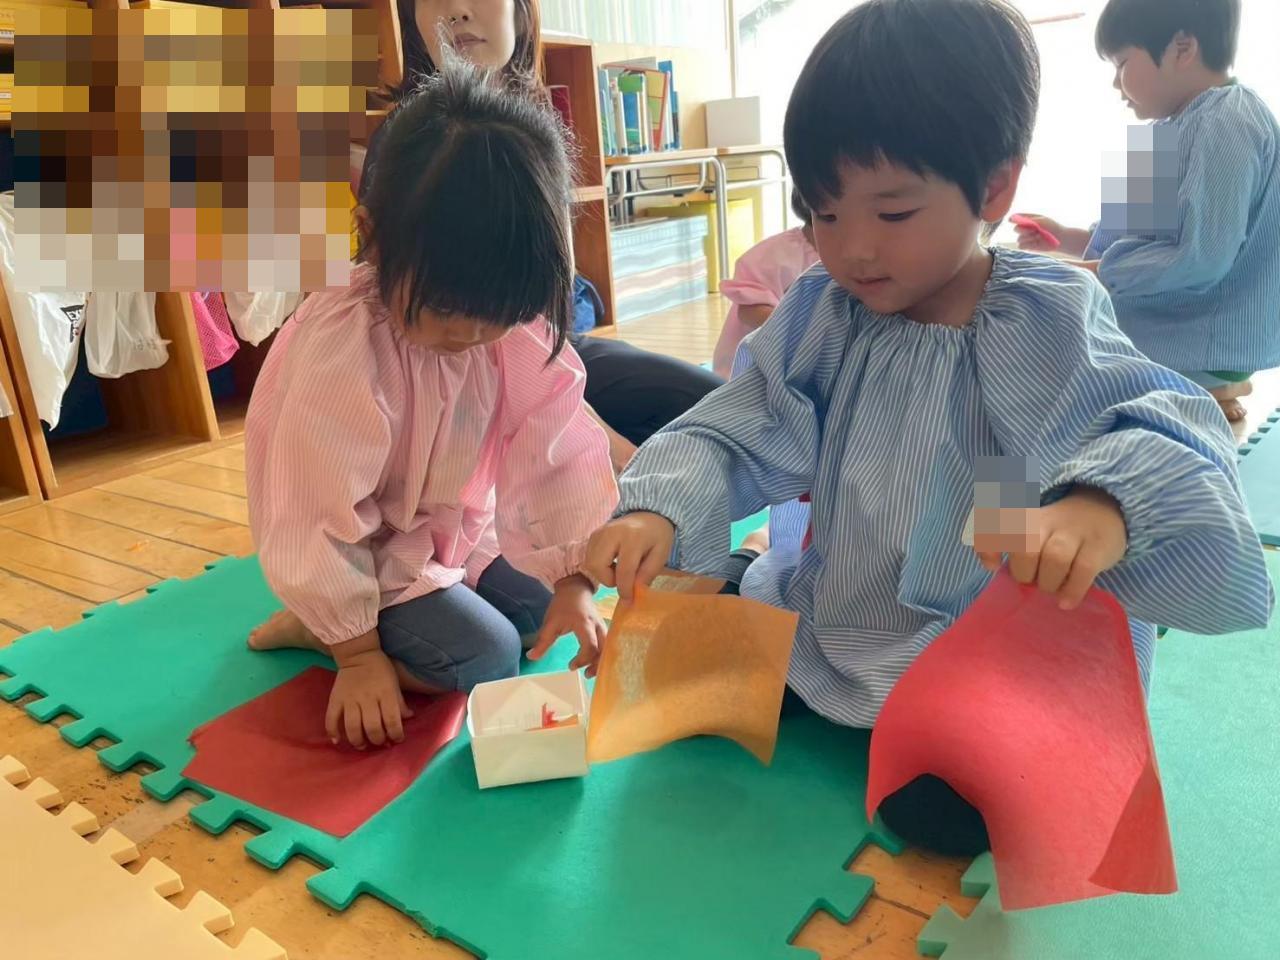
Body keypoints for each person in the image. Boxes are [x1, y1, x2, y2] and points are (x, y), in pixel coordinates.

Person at [583, 0, 1273, 856]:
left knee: (952, 810)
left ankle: (945, 722)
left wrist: (1100, 504)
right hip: (837, 604)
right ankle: (765, 611)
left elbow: (1169, 424)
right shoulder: (824, 311)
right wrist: (658, 506)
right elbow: (735, 422)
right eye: (824, 214)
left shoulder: (1048, 314)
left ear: (994, 188)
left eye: (893, 213)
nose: (853, 250)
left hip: (985, 631)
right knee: (670, 669)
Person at [246, 61, 618, 750]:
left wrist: (573, 580)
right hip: (370, 554)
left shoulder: (517, 331)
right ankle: (323, 628)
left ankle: (369, 627)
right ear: (372, 234)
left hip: (455, 531)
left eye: (497, 311)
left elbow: (557, 452)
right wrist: (358, 655)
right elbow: (314, 506)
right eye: (446, 308)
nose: (471, 333)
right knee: (491, 658)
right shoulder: (347, 344)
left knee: (542, 610)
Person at [358, 0, 724, 470]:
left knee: (715, 409)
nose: (458, 10)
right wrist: (615, 455)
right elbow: (442, 328)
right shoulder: (410, 146)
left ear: (521, 10)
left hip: (542, 342)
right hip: (464, 362)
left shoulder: (534, 126)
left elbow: (548, 306)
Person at [1014, 0, 1280, 423]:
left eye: (1121, 64)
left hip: (1204, 338)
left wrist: (1092, 274)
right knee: (1036, 331)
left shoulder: (1229, 120)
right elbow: (1127, 237)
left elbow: (1202, 258)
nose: (1115, 84)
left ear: (1182, 49)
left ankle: (1206, 390)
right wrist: (1064, 237)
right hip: (1165, 318)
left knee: (1036, 357)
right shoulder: (1162, 130)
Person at [712, 188, 821, 379]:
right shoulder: (775, 256)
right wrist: (801, 329)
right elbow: (749, 311)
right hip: (752, 368)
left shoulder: (854, 255)